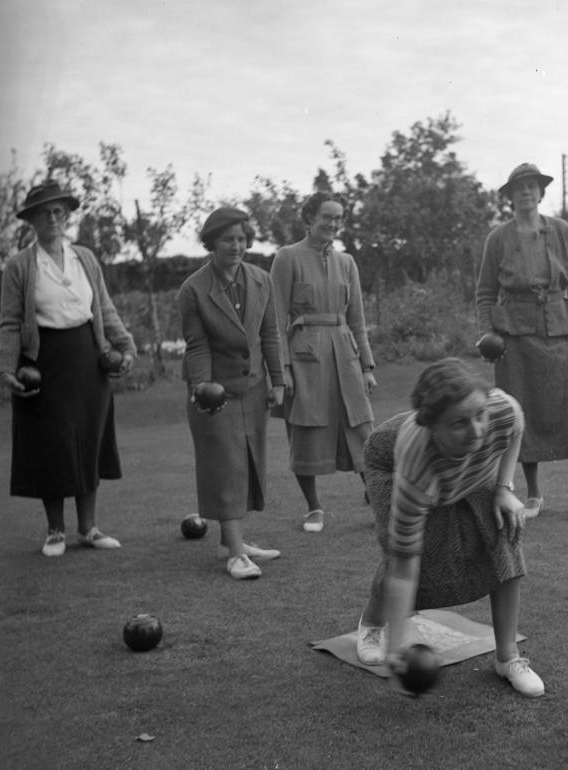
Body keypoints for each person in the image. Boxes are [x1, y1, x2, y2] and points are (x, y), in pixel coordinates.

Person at [356, 358, 544, 698]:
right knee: (403, 549)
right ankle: (371, 624)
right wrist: (400, 653)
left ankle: (508, 659)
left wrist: (504, 488)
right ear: (433, 427)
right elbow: (404, 564)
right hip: (391, 462)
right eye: (459, 422)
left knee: (503, 533)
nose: (476, 430)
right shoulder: (416, 463)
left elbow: (514, 429)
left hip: (466, 464)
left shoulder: (500, 411)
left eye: (479, 415)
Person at [475, 163, 568, 520]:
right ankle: (534, 496)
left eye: (532, 186)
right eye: (519, 187)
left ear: (541, 193)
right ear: (509, 196)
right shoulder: (497, 239)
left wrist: (553, 307)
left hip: (561, 334)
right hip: (515, 338)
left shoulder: (562, 232)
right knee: (520, 413)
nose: (526, 192)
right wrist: (488, 333)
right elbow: (485, 293)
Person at [0, 181, 136, 556]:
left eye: (59, 211)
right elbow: (10, 322)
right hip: (42, 363)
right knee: (52, 444)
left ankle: (88, 529)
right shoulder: (19, 266)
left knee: (90, 441)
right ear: (31, 221)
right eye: (44, 213)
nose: (53, 218)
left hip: (88, 359)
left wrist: (124, 345)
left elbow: (103, 308)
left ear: (67, 215)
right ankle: (56, 531)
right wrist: (6, 369)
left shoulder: (85, 259)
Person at [179, 208, 285, 580]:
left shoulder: (261, 279)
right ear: (212, 243)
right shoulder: (193, 288)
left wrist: (279, 381)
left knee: (247, 463)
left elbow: (270, 333)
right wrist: (203, 388)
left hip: (255, 386)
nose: (236, 246)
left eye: (241, 239)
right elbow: (197, 345)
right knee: (225, 464)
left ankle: (232, 542)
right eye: (228, 239)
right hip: (215, 392)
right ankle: (237, 555)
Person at [270, 192, 376, 533]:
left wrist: (368, 367)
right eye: (326, 216)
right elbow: (274, 318)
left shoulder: (347, 262)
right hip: (304, 356)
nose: (332, 223)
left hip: (345, 354)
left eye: (338, 218)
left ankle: (376, 494)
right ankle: (314, 508)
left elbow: (357, 319)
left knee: (361, 428)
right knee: (305, 428)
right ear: (309, 218)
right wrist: (281, 368)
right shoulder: (287, 257)